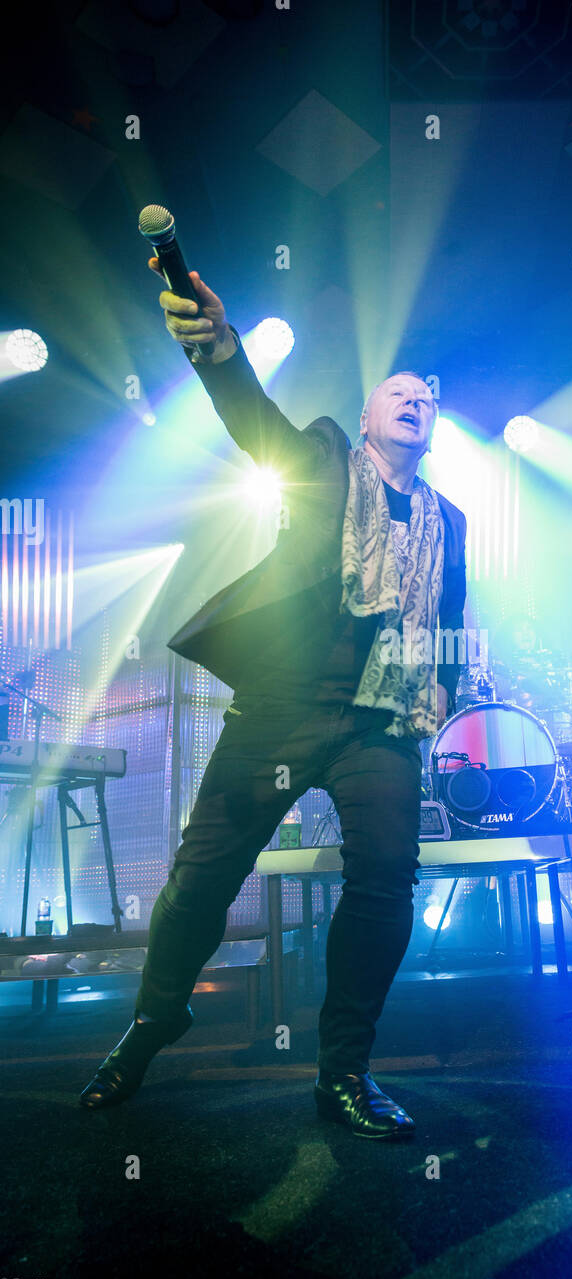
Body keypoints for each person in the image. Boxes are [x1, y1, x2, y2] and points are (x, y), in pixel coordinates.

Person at [79, 264, 468, 1139]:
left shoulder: (452, 519)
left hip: (381, 720)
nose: (413, 401)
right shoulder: (326, 455)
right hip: (290, 697)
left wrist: (444, 684)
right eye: (395, 394)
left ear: (432, 425)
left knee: (384, 882)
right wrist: (220, 354)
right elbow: (256, 424)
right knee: (201, 876)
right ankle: (156, 1016)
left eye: (424, 398)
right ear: (368, 419)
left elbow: (448, 614)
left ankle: (344, 1071)